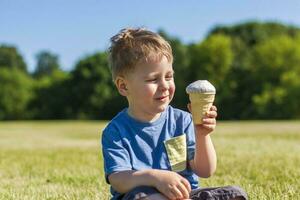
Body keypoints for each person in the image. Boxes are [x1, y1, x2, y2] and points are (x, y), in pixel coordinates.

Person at [101, 27, 248, 200]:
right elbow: (118, 179)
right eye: (153, 79)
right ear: (124, 86)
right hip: (143, 195)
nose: (164, 85)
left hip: (186, 195)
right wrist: (155, 178)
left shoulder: (182, 121)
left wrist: (202, 135)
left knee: (236, 194)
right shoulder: (116, 131)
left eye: (169, 77)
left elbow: (205, 171)